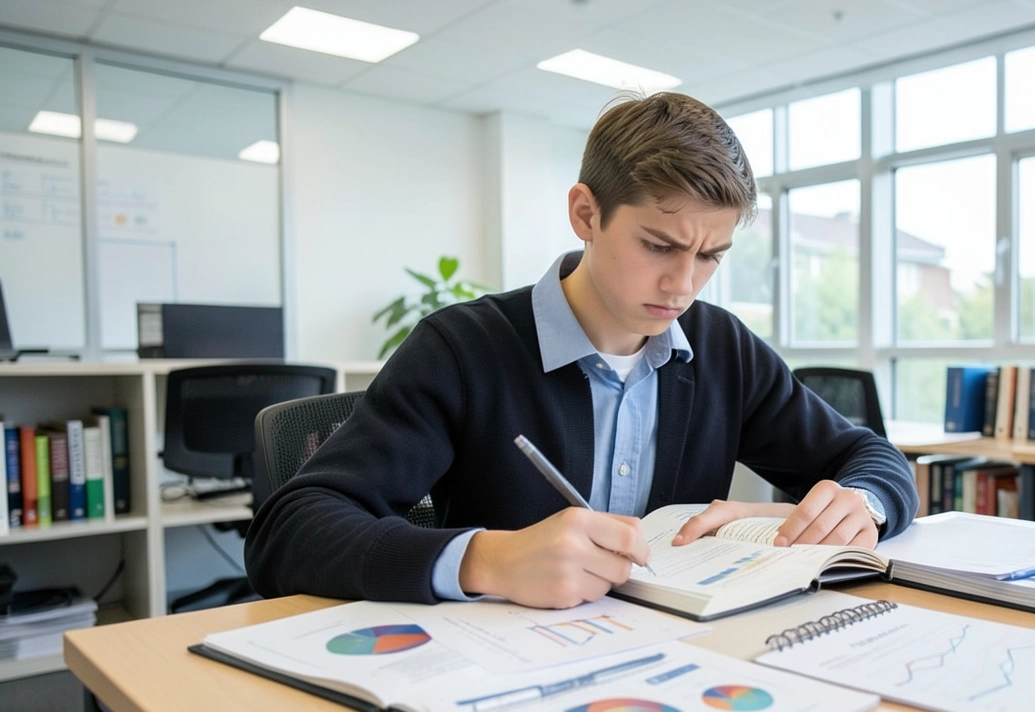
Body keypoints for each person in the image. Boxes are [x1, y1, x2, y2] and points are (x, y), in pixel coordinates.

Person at [245, 91, 917, 609]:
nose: (683, 285)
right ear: (586, 214)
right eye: (658, 246)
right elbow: (290, 531)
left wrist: (863, 503)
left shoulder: (722, 349)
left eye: (710, 255)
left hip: (678, 662)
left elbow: (872, 457)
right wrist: (488, 560)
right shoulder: (463, 349)